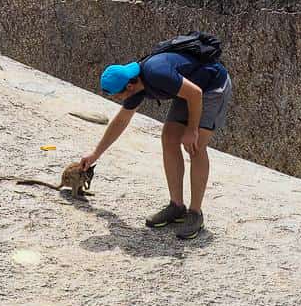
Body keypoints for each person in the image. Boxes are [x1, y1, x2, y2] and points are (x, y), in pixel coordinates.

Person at [79, 46, 232, 240]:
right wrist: (95, 154)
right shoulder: (134, 81)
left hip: (211, 87)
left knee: (196, 146)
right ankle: (176, 206)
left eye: (117, 95)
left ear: (129, 87)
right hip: (189, 88)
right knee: (169, 137)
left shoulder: (156, 74)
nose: (117, 99)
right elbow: (121, 120)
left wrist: (192, 130)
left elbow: (195, 95)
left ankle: (195, 213)